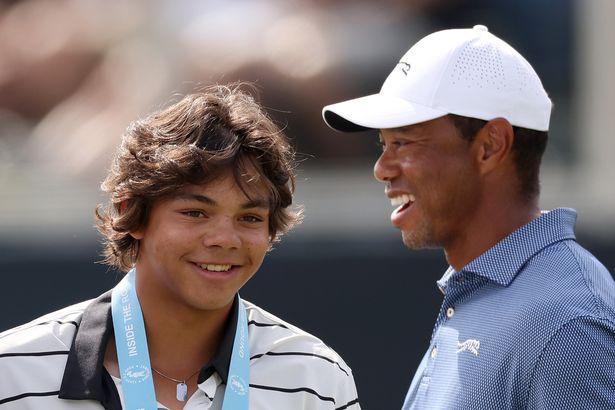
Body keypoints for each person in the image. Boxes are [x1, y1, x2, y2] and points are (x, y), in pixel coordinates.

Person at [0, 84, 361, 410]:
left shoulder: (316, 379)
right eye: (195, 213)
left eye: (249, 218)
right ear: (133, 215)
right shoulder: (12, 371)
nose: (224, 239)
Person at [321, 25, 615, 409]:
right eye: (383, 144)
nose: (382, 168)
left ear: (491, 146)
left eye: (403, 142)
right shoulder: (491, 293)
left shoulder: (566, 322)